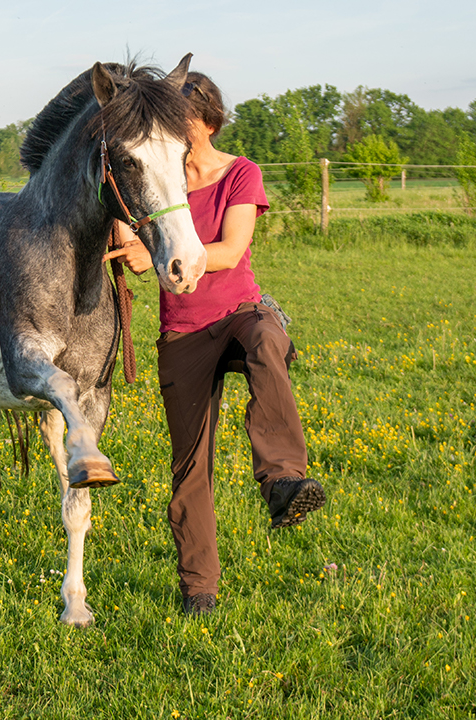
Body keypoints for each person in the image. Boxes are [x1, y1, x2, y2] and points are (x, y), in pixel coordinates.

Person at [104, 72, 326, 616]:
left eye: (179, 120)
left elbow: (229, 251)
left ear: (206, 121)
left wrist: (159, 253)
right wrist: (127, 238)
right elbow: (123, 218)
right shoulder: (161, 173)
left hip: (237, 313)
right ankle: (199, 587)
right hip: (182, 329)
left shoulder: (240, 174)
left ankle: (281, 480)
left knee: (269, 339)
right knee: (190, 465)